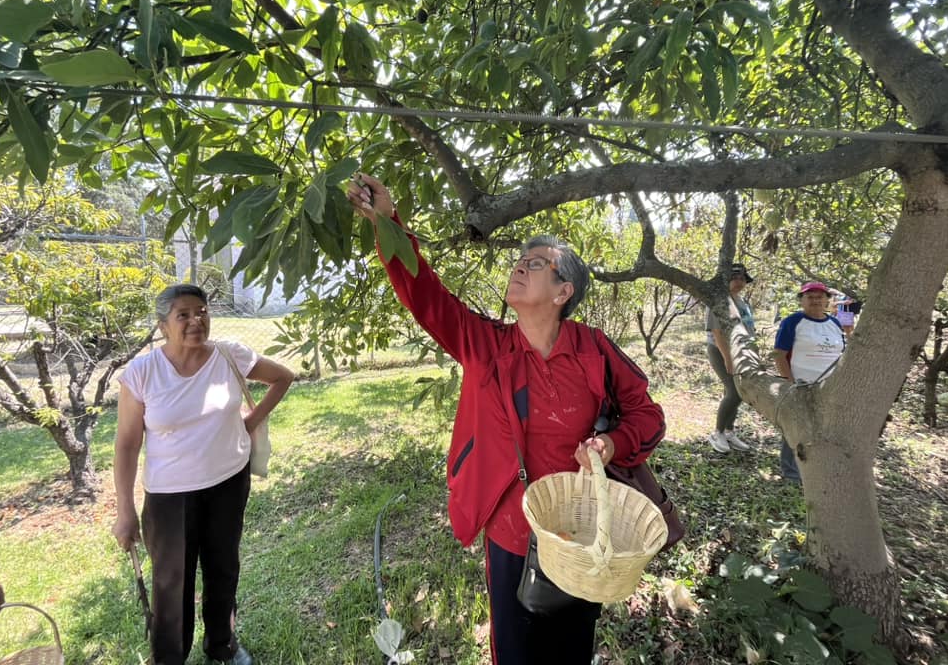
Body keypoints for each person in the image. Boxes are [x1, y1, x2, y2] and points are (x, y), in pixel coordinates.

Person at [347, 174, 666, 665]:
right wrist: (390, 224)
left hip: (580, 530)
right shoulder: (488, 347)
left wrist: (613, 444)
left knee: (572, 645)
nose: (521, 266)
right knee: (515, 650)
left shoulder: (593, 349)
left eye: (536, 263)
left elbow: (648, 415)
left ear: (564, 292)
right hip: (511, 527)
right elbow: (424, 294)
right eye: (521, 260)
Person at [112, 284, 294, 665]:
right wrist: (125, 511)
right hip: (169, 497)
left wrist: (252, 420)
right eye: (184, 315)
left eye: (202, 312)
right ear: (164, 325)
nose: (196, 321)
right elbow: (127, 445)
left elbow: (283, 376)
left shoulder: (229, 355)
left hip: (228, 482)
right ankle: (170, 658)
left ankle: (222, 645)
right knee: (171, 583)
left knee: (223, 567)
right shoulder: (143, 373)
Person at [772, 281, 845, 482]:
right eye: (810, 297)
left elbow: (843, 353)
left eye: (820, 297)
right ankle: (791, 473)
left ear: (827, 301)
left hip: (831, 386)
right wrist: (790, 383)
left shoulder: (835, 324)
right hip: (802, 385)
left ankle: (820, 467)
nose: (815, 300)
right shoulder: (793, 322)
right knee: (796, 428)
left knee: (825, 427)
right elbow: (779, 354)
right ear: (802, 300)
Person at [706, 263, 756, 454]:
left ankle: (729, 431)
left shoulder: (743, 303)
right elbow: (717, 332)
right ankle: (717, 432)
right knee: (733, 391)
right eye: (735, 278)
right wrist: (727, 358)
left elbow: (749, 328)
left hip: (741, 352)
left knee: (740, 391)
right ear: (727, 280)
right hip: (721, 351)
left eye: (742, 279)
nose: (739, 282)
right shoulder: (720, 301)